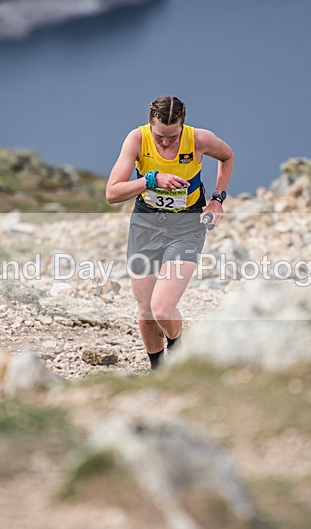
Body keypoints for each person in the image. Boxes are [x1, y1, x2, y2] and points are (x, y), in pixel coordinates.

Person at [105, 96, 234, 370]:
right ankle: (158, 369)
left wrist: (217, 199)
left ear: (182, 126)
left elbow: (227, 156)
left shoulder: (200, 139)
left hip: (186, 226)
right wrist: (150, 180)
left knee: (162, 308)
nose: (165, 142)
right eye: (159, 136)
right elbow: (112, 193)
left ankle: (177, 344)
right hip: (146, 224)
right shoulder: (137, 140)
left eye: (172, 137)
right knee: (146, 311)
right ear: (150, 124)